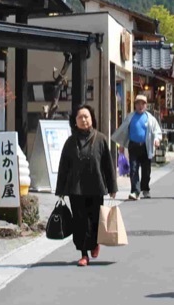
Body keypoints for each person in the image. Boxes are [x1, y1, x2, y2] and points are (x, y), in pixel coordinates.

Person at [54, 105, 118, 267]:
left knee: (96, 219)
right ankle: (83, 253)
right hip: (76, 188)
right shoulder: (70, 142)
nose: (84, 120)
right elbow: (64, 167)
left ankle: (95, 243)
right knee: (80, 221)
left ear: (92, 119)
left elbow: (108, 166)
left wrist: (112, 187)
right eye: (80, 117)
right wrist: (60, 190)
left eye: (86, 116)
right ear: (75, 122)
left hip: (96, 186)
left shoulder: (101, 139)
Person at [112, 93, 162, 200]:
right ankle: (135, 191)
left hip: (145, 146)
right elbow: (124, 132)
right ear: (135, 105)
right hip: (133, 146)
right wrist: (121, 145)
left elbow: (156, 131)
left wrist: (157, 139)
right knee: (133, 169)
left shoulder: (150, 118)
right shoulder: (130, 117)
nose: (140, 106)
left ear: (146, 105)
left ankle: (145, 189)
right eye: (138, 104)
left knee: (146, 170)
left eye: (142, 104)